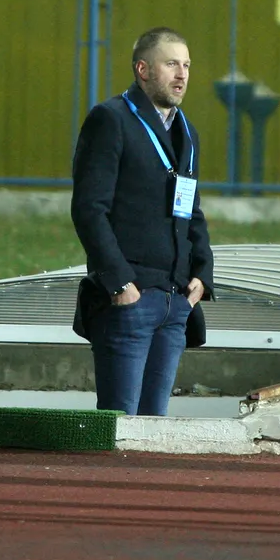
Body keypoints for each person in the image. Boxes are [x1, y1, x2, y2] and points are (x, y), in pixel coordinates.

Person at [70, 27, 214, 417]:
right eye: (171, 64)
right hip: (129, 301)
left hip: (175, 301)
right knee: (121, 427)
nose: (182, 74)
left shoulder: (187, 132)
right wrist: (119, 283)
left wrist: (202, 273)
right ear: (143, 69)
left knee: (155, 431)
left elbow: (192, 210)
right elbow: (89, 209)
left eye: (186, 65)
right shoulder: (111, 119)